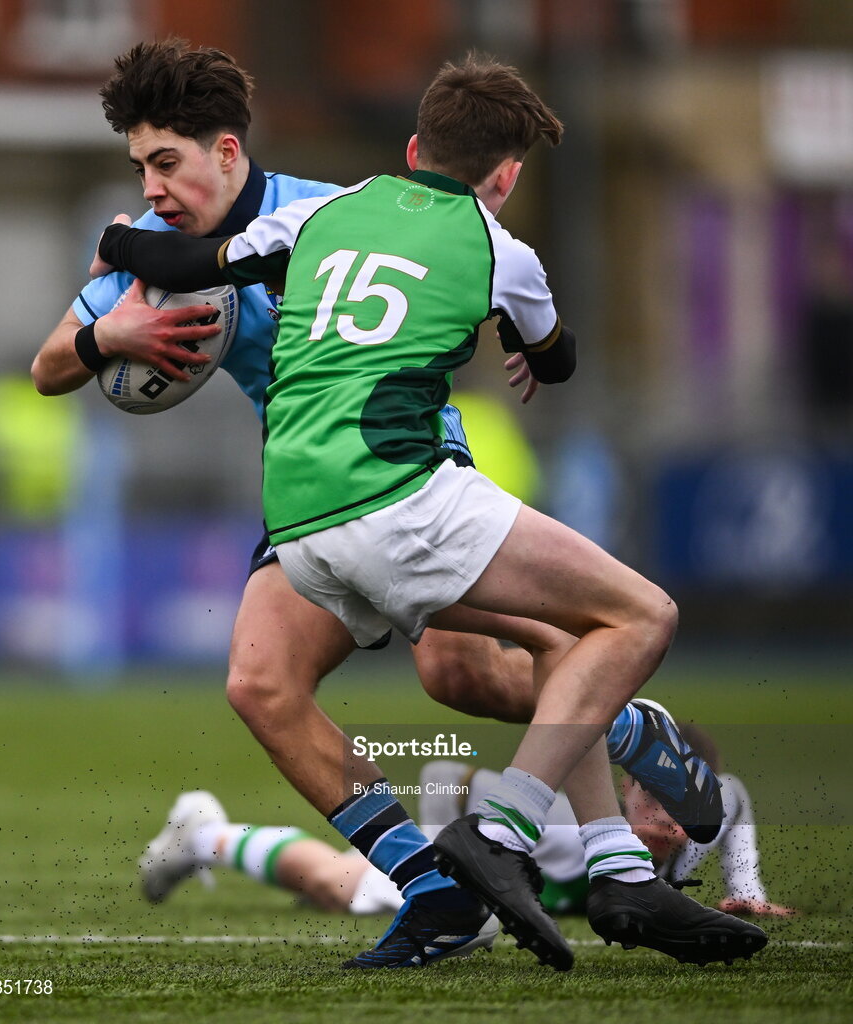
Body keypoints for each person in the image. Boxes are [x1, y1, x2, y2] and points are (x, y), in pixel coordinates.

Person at [92, 53, 767, 971]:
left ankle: (602, 873)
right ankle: (510, 833)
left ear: (413, 147)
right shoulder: (504, 248)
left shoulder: (322, 207)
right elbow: (556, 358)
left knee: (451, 675)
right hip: (398, 494)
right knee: (638, 615)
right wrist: (534, 345)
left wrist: (118, 247)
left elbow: (177, 261)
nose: (154, 185)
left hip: (301, 514)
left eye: (163, 165)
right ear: (508, 179)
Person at [139, 730, 793, 925]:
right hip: (462, 854)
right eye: (648, 791)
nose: (659, 810)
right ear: (625, 784)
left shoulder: (715, 810)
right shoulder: (570, 826)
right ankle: (205, 834)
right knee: (340, 886)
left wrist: (746, 887)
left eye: (676, 797)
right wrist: (429, 873)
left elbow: (736, 806)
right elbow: (446, 777)